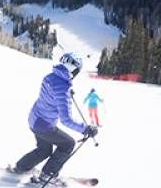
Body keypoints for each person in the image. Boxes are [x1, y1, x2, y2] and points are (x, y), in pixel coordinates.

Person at [9, 53, 98, 186]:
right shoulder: (63, 88)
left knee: (44, 150)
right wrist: (85, 129)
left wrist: (66, 93)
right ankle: (47, 174)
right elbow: (65, 119)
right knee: (68, 144)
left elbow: (51, 96)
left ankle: (21, 167)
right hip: (44, 125)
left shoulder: (50, 77)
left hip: (34, 119)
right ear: (73, 70)